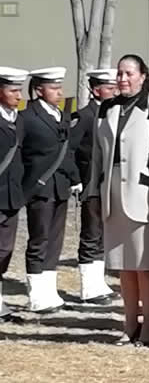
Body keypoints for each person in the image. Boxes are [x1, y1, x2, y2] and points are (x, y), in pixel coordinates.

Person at [87, 54, 149, 346]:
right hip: (112, 193)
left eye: (129, 73)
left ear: (142, 76)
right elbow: (97, 156)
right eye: (120, 73)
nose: (122, 79)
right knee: (123, 264)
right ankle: (129, 322)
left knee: (144, 263)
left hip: (143, 194)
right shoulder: (107, 108)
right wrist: (93, 191)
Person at [21, 67, 81, 313]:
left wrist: (74, 177)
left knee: (55, 240)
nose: (59, 92)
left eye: (59, 87)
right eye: (53, 88)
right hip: (39, 186)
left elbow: (66, 152)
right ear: (38, 90)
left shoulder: (60, 114)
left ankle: (49, 291)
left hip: (60, 186)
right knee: (39, 238)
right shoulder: (27, 117)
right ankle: (36, 294)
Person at [70, 68, 119, 304]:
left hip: (106, 181)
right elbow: (69, 150)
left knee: (102, 234)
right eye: (109, 88)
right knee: (91, 234)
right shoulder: (85, 116)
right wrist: (76, 180)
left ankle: (98, 282)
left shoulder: (111, 113)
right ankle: (88, 288)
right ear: (95, 89)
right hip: (90, 182)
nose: (114, 91)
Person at [0, 67, 28, 320]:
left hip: (11, 196)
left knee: (5, 250)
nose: (18, 95)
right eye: (12, 90)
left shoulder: (17, 119)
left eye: (19, 90)